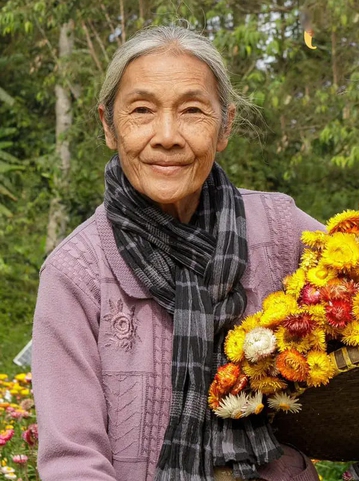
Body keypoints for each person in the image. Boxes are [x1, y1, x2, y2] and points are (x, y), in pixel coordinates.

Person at [31, 25, 324, 481]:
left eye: (192, 111)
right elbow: (73, 461)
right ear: (109, 126)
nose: (166, 136)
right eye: (142, 111)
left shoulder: (280, 229)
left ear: (224, 127)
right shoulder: (77, 273)